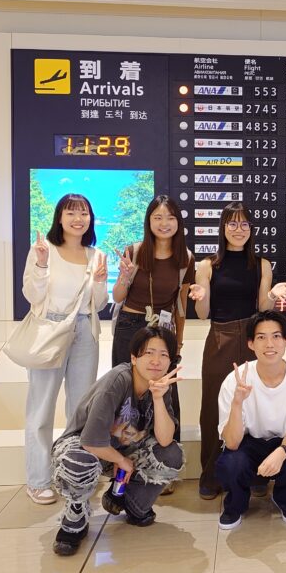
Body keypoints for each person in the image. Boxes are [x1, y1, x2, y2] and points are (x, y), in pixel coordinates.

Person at [188, 202, 286, 500]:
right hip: (219, 338)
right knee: (213, 406)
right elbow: (202, 314)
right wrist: (201, 295)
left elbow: (262, 307)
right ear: (223, 228)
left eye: (245, 224)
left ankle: (256, 474)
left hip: (253, 340)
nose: (239, 229)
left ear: (251, 229)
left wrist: (272, 295)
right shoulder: (207, 265)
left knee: (255, 406)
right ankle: (210, 475)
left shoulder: (262, 264)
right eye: (232, 223)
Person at [49, 325, 184, 556]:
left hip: (123, 447)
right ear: (134, 358)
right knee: (79, 461)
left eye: (164, 355)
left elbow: (165, 440)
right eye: (149, 353)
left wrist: (158, 398)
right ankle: (74, 519)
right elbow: (90, 440)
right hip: (84, 446)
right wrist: (121, 461)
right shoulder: (117, 380)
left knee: (172, 454)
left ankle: (127, 501)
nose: (156, 361)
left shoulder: (161, 385)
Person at [21, 193, 108, 505]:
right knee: (41, 408)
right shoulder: (44, 249)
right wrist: (42, 265)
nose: (78, 219)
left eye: (83, 213)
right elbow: (32, 295)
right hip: (51, 330)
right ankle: (38, 480)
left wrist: (101, 282)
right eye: (71, 213)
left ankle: (76, 474)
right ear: (59, 217)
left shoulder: (96, 255)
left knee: (81, 409)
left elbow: (99, 304)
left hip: (85, 331)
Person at [110, 195, 194, 470]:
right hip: (130, 327)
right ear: (149, 221)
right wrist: (124, 277)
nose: (164, 223)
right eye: (157, 217)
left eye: (170, 217)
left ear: (178, 222)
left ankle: (166, 464)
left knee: (166, 393)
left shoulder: (186, 259)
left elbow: (181, 306)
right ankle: (125, 463)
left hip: (163, 331)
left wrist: (178, 343)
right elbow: (118, 296)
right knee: (127, 393)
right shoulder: (135, 251)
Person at [216, 311, 286, 529]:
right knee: (231, 464)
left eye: (276, 336)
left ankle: (285, 500)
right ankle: (235, 505)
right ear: (251, 343)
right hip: (247, 442)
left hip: (285, 441)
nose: (269, 344)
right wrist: (237, 403)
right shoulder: (235, 380)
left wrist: (281, 453)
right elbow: (231, 442)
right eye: (261, 337)